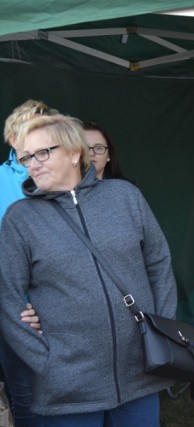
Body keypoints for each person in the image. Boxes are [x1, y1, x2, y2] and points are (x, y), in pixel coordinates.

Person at [0, 114, 177, 425]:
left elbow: (159, 263)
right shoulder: (20, 219)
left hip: (141, 372)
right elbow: (6, 296)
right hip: (68, 387)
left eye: (43, 152)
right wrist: (46, 360)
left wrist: (162, 329)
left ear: (73, 152)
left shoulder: (125, 197)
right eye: (27, 156)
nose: (33, 163)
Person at [0, 99, 57, 427]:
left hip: (64, 306)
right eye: (31, 129)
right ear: (13, 138)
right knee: (26, 400)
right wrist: (18, 306)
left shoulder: (64, 179)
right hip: (17, 314)